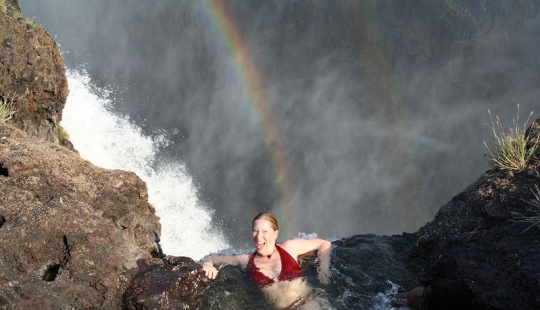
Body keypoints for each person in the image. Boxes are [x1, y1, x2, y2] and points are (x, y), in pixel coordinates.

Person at [201, 211, 332, 309]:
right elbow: (211, 258)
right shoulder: (245, 260)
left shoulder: (289, 248)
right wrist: (208, 264)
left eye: (265, 231)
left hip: (308, 305)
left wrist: (323, 270)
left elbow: (324, 244)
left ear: (275, 234)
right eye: (255, 231)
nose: (259, 237)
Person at [393, 279, 474, 310]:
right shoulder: (416, 295)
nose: (420, 303)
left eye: (426, 303)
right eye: (423, 297)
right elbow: (392, 301)